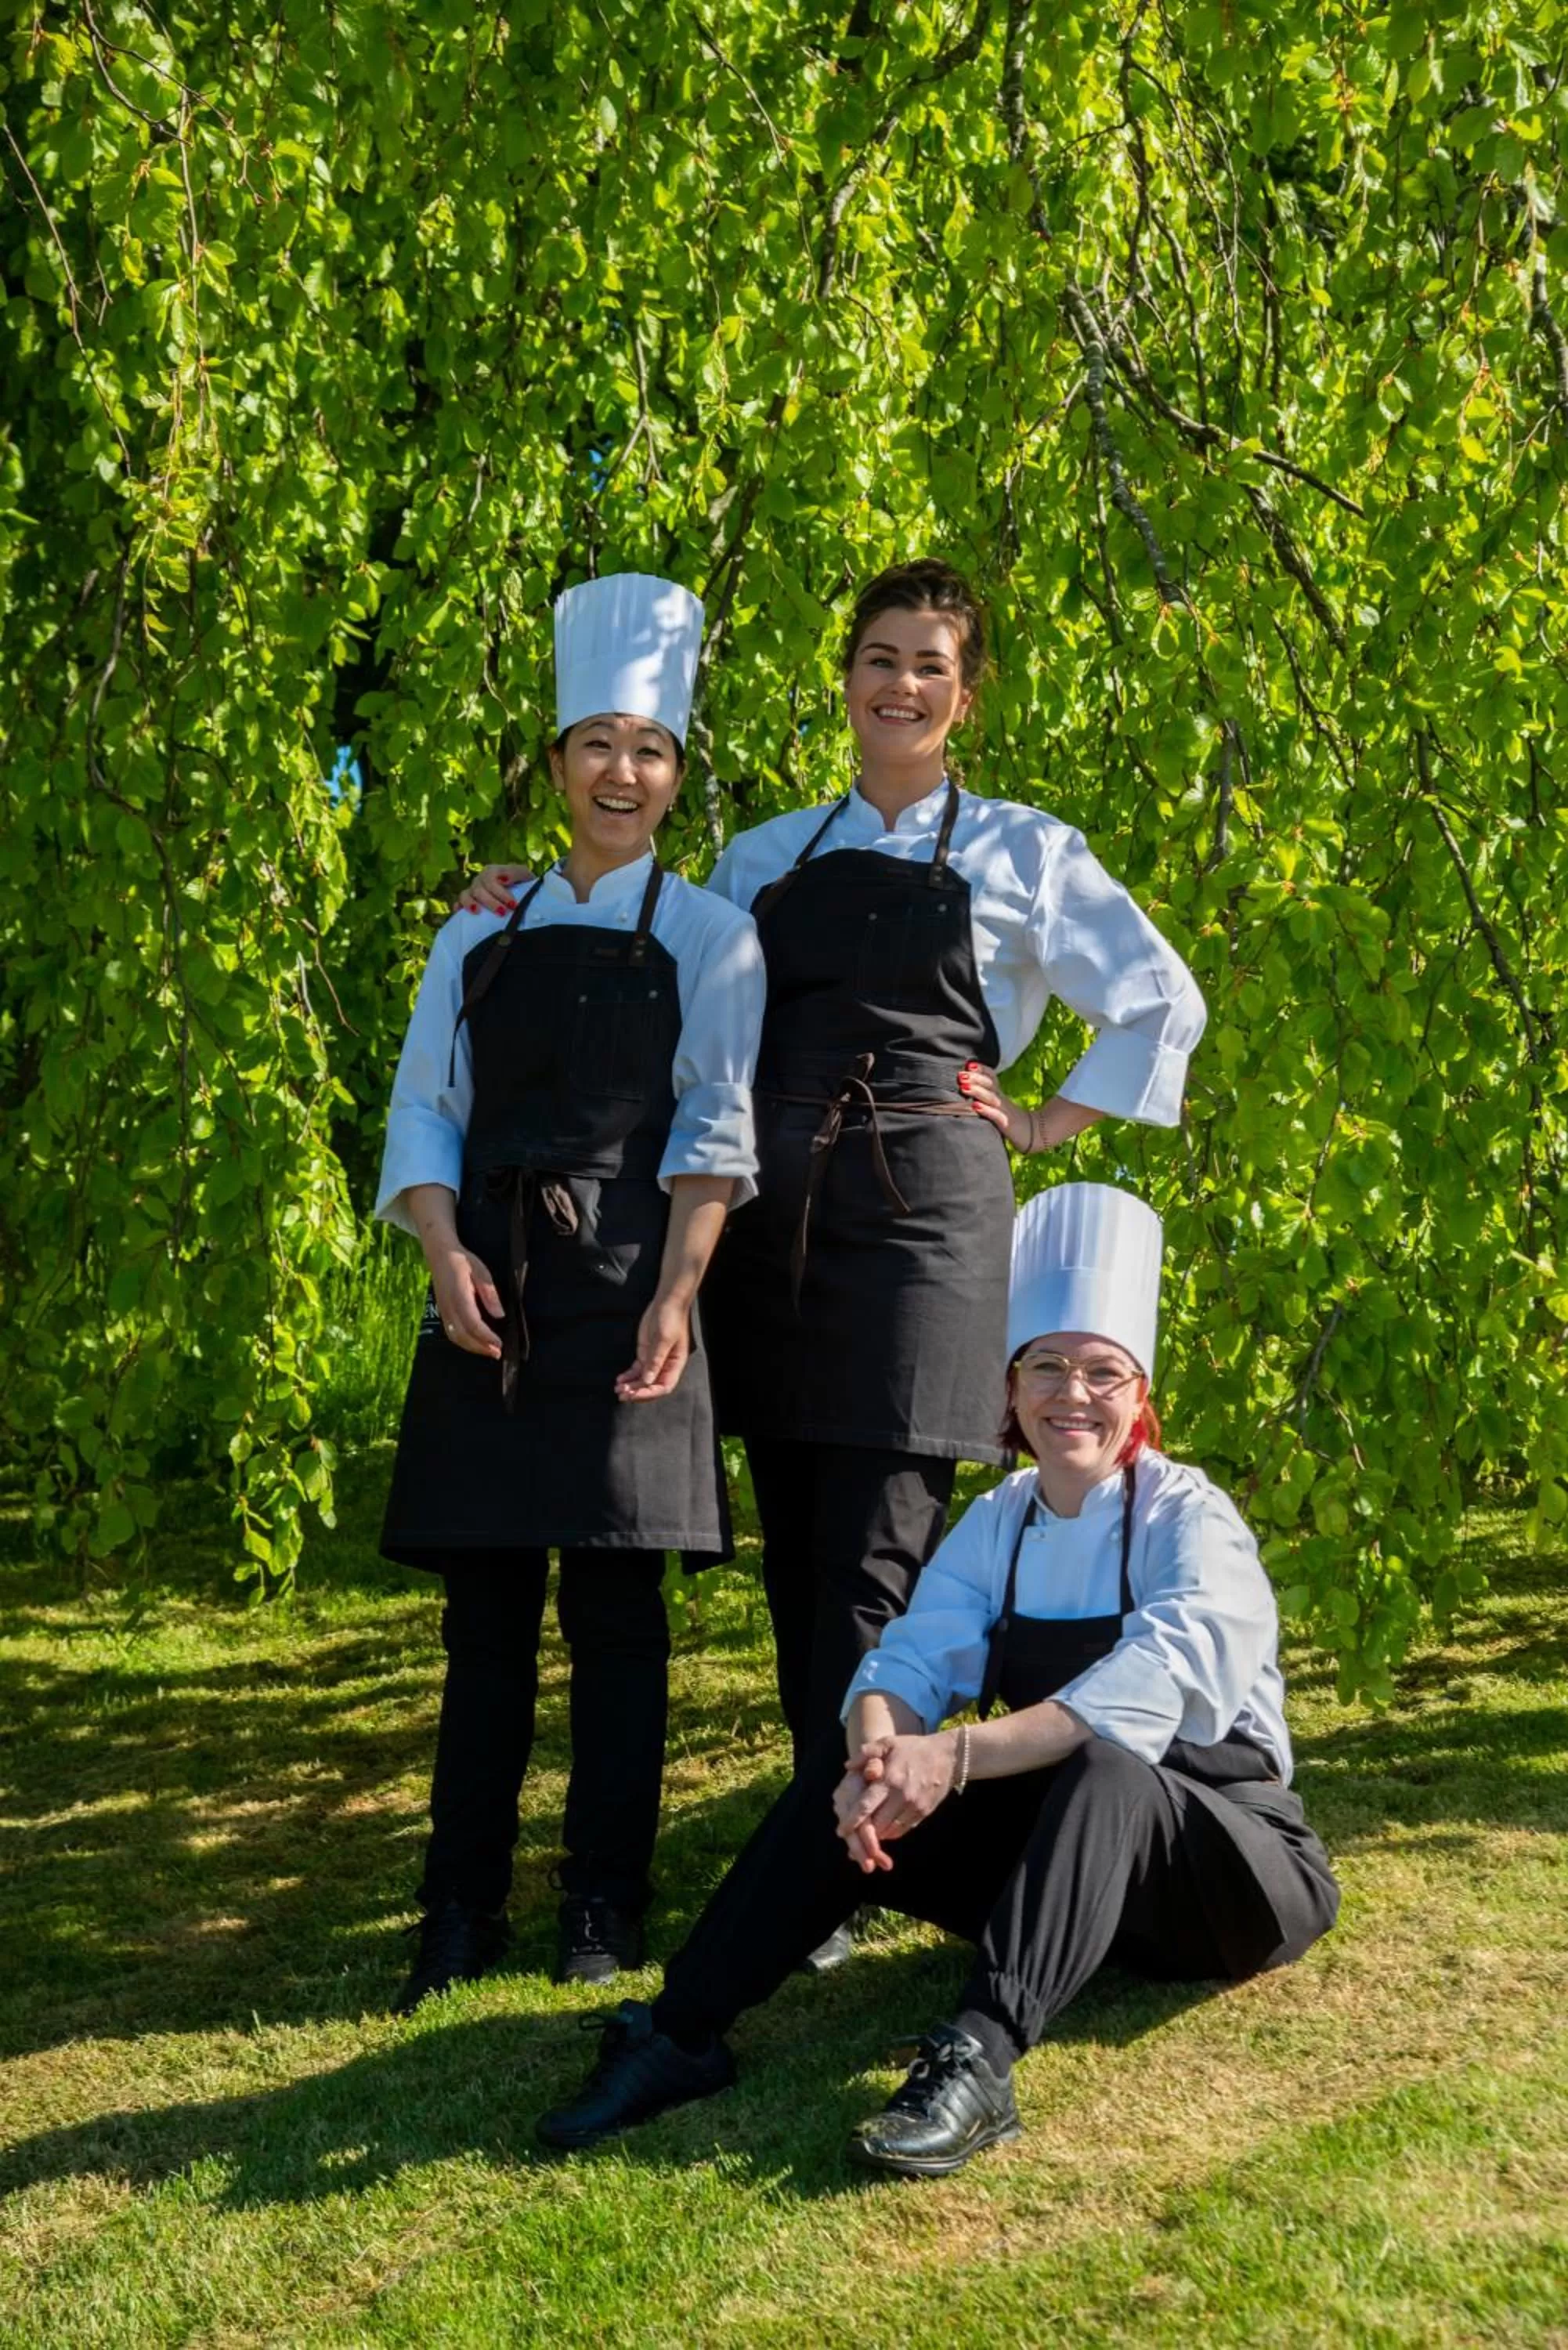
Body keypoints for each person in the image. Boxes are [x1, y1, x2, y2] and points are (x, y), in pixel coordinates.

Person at [462, 559, 1206, 1969]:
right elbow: (655, 962)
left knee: (881, 1549)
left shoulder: (1024, 848)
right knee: (799, 1544)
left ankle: (853, 1855)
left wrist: (1047, 1118)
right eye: (879, 656)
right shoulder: (764, 859)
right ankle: (844, 1827)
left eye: (929, 663)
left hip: (926, 1214)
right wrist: (521, 898)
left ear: (963, 694)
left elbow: (1162, 997)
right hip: (773, 1223)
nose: (900, 684)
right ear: (845, 676)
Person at [534, 1183, 1340, 2176]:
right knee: (845, 1771)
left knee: (1109, 1767)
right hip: (1070, 1882)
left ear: (1140, 1395)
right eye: (1045, 1367)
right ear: (1010, 1390)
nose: (1070, 1395)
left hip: (1227, 1880)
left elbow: (1146, 1691)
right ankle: (678, 2032)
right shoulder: (1000, 1520)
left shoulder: (1189, 1517)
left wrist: (949, 1754)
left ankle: (979, 2060)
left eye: (1101, 1372)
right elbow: (905, 1660)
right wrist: (881, 1751)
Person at [377, 573, 767, 2010]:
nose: (623, 773)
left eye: (650, 750)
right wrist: (442, 1252)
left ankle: (602, 1904)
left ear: (675, 775)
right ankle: (456, 1908)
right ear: (555, 766)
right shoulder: (477, 927)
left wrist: (677, 1297)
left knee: (618, 1625)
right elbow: (426, 1107)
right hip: (487, 1289)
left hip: (626, 1295)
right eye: (597, 743)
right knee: (482, 1628)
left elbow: (715, 1130)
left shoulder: (716, 935)